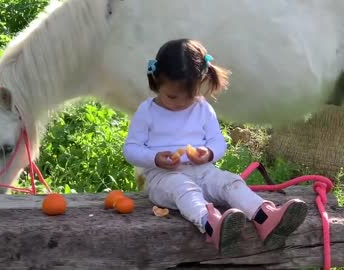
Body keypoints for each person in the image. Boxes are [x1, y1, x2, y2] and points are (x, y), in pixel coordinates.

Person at [122, 39, 308, 255]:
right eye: (171, 96)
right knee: (183, 187)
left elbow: (218, 142)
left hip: (203, 172)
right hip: (163, 178)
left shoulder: (202, 108)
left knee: (231, 181)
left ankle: (266, 218)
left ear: (200, 83)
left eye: (188, 96)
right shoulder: (147, 111)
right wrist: (155, 158)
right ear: (156, 81)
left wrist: (208, 153)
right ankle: (212, 226)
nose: (179, 103)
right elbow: (131, 149)